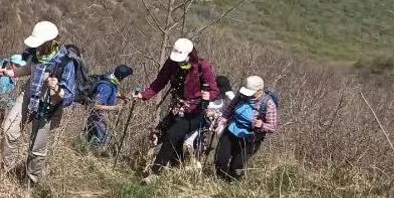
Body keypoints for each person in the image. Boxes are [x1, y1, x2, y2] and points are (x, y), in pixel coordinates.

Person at [0, 21, 78, 186]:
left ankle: (31, 184)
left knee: (36, 148)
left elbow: (69, 94)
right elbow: (28, 69)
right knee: (8, 130)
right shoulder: (36, 54)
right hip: (28, 96)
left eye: (40, 43)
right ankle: (8, 171)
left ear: (50, 42)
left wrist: (56, 88)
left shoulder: (65, 62)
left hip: (48, 105)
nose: (37, 46)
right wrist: (9, 73)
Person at [135, 38, 218, 177]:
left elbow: (214, 91)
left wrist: (208, 96)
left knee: (171, 135)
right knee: (163, 135)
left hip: (195, 111)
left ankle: (155, 174)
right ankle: (175, 169)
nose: (179, 62)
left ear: (190, 55)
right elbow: (160, 82)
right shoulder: (171, 63)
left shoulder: (202, 66)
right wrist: (144, 95)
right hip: (176, 108)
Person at [214, 75, 279, 182]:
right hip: (231, 131)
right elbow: (229, 109)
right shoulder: (241, 95)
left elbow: (272, 127)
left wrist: (262, 125)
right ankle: (218, 179)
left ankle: (231, 183)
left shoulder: (268, 104)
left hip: (249, 138)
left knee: (237, 165)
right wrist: (222, 120)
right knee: (221, 159)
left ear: (259, 91)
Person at [83, 64, 133, 149]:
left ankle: (84, 153)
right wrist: (115, 108)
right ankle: (89, 159)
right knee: (98, 142)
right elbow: (96, 106)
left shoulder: (111, 81)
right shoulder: (106, 86)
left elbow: (109, 94)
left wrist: (121, 96)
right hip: (97, 118)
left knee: (90, 140)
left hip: (99, 118)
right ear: (121, 77)